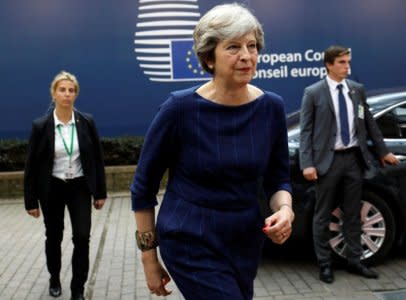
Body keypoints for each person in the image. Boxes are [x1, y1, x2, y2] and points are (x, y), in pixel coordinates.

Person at [130, 3, 295, 299]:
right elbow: (143, 188)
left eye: (252, 46)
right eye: (233, 47)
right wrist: (149, 259)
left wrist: (285, 209)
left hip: (244, 239)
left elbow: (278, 177)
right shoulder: (178, 109)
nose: (246, 56)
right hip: (189, 238)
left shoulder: (271, 107)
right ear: (209, 57)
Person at [299, 45, 399, 284]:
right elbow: (306, 131)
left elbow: (370, 123)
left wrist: (383, 151)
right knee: (322, 215)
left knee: (352, 213)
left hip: (354, 159)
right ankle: (325, 265)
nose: (347, 67)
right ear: (329, 65)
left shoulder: (357, 90)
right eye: (342, 62)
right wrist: (307, 164)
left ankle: (355, 261)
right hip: (328, 161)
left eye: (348, 62)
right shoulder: (313, 93)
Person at [24, 71, 107, 300]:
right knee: (54, 236)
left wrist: (100, 192)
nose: (67, 94)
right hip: (52, 188)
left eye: (71, 90)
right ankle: (54, 278)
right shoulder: (40, 126)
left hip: (79, 186)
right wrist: (30, 201)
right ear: (54, 94)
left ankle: (78, 288)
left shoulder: (86, 122)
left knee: (82, 236)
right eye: (62, 90)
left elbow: (97, 160)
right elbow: (31, 166)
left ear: (76, 95)